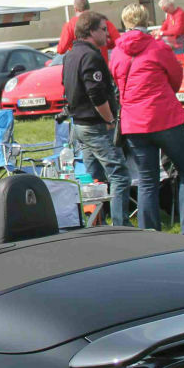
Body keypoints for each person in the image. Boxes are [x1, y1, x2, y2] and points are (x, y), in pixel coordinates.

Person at [112, 4, 184, 237]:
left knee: (147, 180)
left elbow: (116, 82)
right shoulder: (158, 48)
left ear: (125, 23)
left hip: (134, 123)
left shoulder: (117, 53)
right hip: (164, 118)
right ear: (146, 21)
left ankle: (150, 234)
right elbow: (176, 76)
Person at [61, 12, 132, 227]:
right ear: (91, 31)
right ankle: (121, 225)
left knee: (94, 179)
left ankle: (94, 223)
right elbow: (96, 94)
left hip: (80, 125)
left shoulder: (70, 55)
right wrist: (110, 119)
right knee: (120, 174)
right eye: (103, 29)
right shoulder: (91, 56)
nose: (107, 34)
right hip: (94, 125)